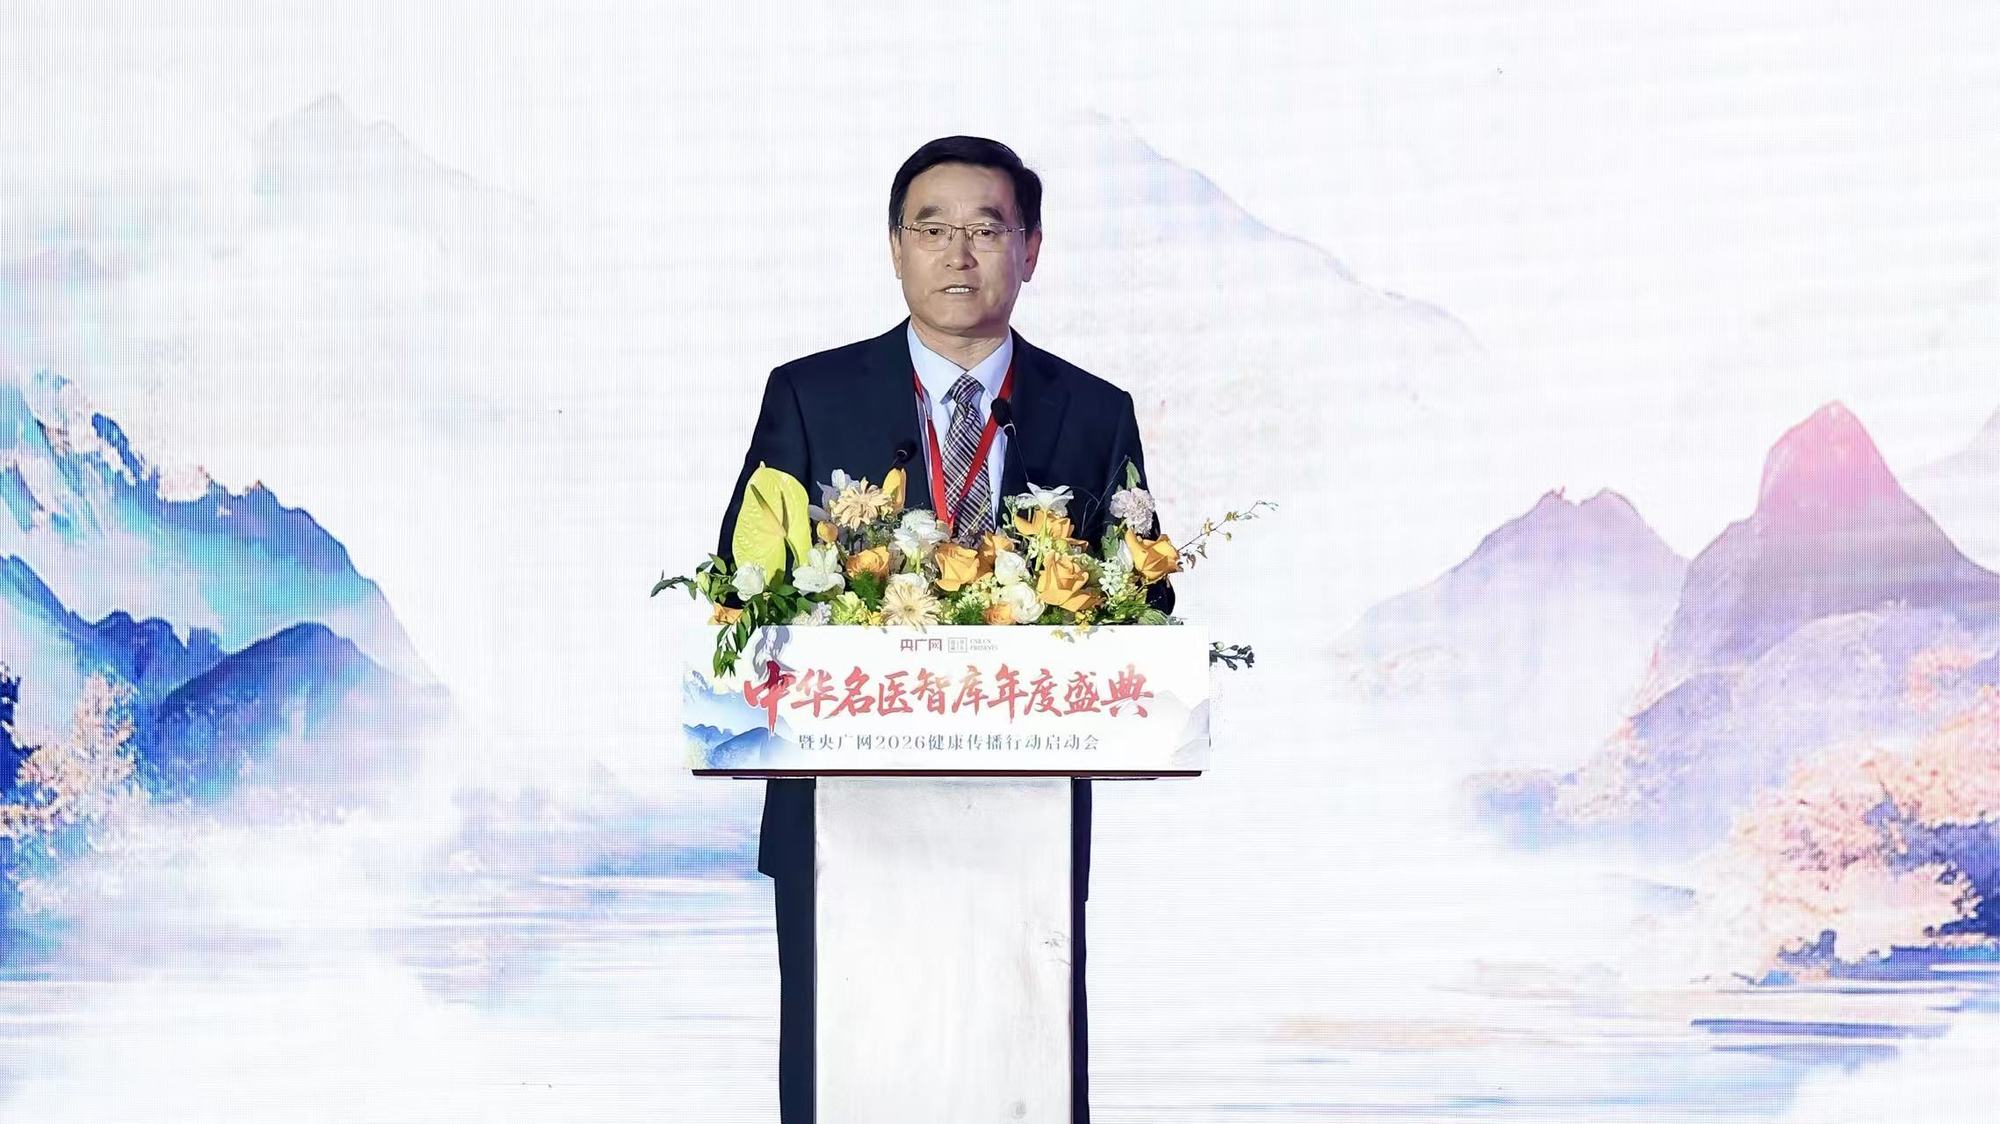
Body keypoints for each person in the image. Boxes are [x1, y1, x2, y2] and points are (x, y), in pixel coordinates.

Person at [714, 135, 1173, 1124]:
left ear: (1030, 248)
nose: (957, 254)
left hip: (1021, 834)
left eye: (985, 230)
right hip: (842, 825)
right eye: (931, 230)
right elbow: (745, 590)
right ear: (895, 247)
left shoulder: (1095, 413)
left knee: (1018, 1062)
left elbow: (1146, 599)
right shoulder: (809, 395)